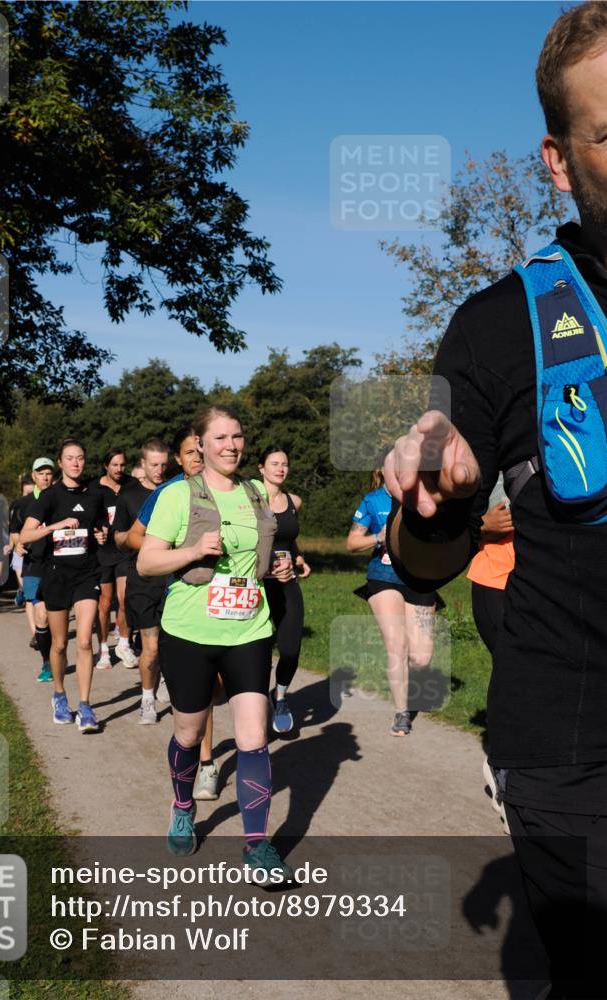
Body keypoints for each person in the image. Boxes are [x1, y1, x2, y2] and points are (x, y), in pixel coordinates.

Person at [383, 6, 606, 995]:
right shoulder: (497, 327)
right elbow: (420, 562)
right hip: (577, 752)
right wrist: (433, 499)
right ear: (559, 161)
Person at [138, 405, 295, 884]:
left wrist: (279, 566)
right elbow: (146, 562)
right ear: (201, 445)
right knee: (189, 734)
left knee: (254, 737)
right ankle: (183, 807)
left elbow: (260, 554)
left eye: (237, 437)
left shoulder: (255, 493)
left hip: (249, 629)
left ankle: (257, 845)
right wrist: (192, 551)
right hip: (190, 632)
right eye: (221, 438)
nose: (231, 446)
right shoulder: (177, 495)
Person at [127, 425, 221, 797]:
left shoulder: (230, 489)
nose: (198, 458)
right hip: (179, 596)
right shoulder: (168, 493)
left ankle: (206, 761)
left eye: (202, 450)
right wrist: (174, 550)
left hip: (222, 599)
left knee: (212, 684)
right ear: (179, 459)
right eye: (190, 452)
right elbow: (135, 536)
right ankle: (204, 763)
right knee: (195, 687)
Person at [347, 461, 440, 737]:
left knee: (421, 657)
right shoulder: (372, 501)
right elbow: (352, 542)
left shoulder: (425, 498)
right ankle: (402, 713)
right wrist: (378, 537)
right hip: (383, 577)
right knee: (396, 643)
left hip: (419, 580)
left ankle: (405, 685)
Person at [20, 440, 106, 731]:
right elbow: (25, 536)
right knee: (59, 644)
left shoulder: (94, 494)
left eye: (80, 458)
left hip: (87, 574)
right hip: (56, 576)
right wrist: (55, 526)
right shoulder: (49, 496)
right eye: (70, 458)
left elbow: (98, 529)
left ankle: (85, 706)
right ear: (60, 462)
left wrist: (101, 535)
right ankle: (59, 694)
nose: (75, 463)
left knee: (84, 641)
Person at [113, 438, 170, 723]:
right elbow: (118, 537)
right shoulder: (128, 495)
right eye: (154, 464)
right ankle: (147, 700)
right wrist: (148, 544)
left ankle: (165, 681)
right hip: (143, 578)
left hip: (173, 577)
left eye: (164, 465)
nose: (159, 470)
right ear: (143, 463)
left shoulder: (175, 490)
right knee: (151, 645)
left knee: (170, 644)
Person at [257, 446, 311, 734]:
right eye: (274, 463)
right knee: (259, 652)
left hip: (287, 583)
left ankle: (279, 697)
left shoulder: (294, 501)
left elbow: (287, 539)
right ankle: (256, 704)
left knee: (290, 650)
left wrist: (298, 557)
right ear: (261, 468)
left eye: (284, 464)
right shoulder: (250, 502)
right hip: (257, 585)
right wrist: (266, 565)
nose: (280, 468)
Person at [9, 458, 55, 680]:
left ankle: (57, 654)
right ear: (34, 476)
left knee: (57, 617)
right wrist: (18, 543)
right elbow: (15, 532)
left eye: (49, 473)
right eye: (41, 473)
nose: (45, 477)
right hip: (33, 564)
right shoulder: (22, 504)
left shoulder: (60, 499)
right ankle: (47, 662)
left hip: (58, 565)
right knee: (42, 615)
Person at [90, 449, 136, 669]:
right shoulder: (94, 488)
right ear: (105, 465)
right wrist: (95, 532)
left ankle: (124, 644)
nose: (119, 469)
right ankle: (103, 649)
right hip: (102, 553)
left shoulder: (131, 485)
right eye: (115, 465)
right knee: (105, 602)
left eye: (122, 465)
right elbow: (86, 517)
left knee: (125, 599)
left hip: (125, 551)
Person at [466, 473, 515, 654]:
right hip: (495, 579)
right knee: (509, 660)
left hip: (542, 579)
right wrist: (482, 525)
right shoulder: (492, 468)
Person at [10, 478, 33, 607]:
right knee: (25, 585)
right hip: (20, 550)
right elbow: (13, 529)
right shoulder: (16, 506)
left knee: (33, 589)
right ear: (21, 493)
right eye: (26, 493)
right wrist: (13, 545)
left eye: (32, 492)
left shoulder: (42, 504)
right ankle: (21, 591)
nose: (29, 496)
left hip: (36, 551)